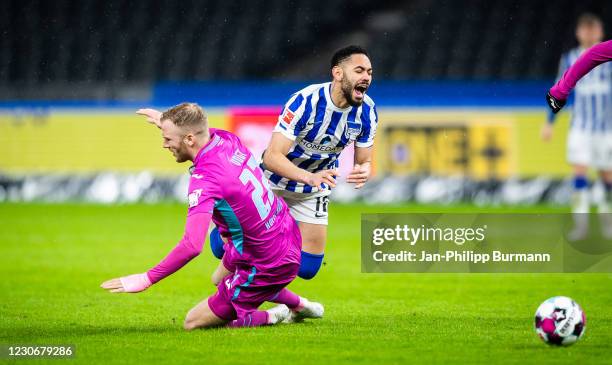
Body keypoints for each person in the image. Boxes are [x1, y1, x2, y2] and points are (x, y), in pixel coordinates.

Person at [137, 45, 378, 280]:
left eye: (369, 72)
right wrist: (309, 177)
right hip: (271, 183)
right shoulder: (305, 102)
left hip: (312, 190)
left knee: (307, 269)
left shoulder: (367, 111)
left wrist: (363, 169)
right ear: (338, 73)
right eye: (359, 71)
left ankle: (256, 276)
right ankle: (253, 286)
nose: (366, 77)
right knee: (220, 249)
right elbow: (273, 158)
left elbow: (363, 160)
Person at [101, 103, 323, 329]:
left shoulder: (205, 180)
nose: (164, 144)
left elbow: (191, 245)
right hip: (284, 231)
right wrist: (166, 121)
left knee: (194, 322)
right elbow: (196, 128)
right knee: (218, 279)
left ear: (188, 139)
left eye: (168, 138)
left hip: (266, 260)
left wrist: (145, 279)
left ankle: (276, 315)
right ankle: (300, 304)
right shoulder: (225, 139)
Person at [543, 14, 612, 240]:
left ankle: (608, 225)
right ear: (578, 32)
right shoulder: (570, 58)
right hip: (581, 127)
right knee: (579, 175)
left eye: (594, 29)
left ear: (600, 32)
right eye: (586, 29)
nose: (590, 34)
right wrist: (549, 122)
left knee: (607, 177)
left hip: (607, 128)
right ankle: (581, 226)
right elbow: (560, 89)